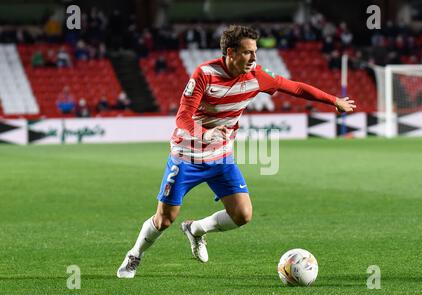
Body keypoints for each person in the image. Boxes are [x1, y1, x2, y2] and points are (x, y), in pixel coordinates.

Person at [117, 25, 356, 278]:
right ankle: (135, 255)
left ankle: (196, 229)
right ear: (230, 52)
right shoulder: (205, 74)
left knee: (243, 214)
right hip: (187, 157)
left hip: (221, 157)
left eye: (255, 52)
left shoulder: (257, 75)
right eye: (247, 53)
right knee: (164, 220)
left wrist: (334, 100)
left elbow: (294, 87)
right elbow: (183, 116)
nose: (254, 59)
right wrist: (203, 134)